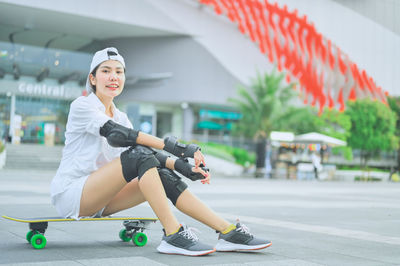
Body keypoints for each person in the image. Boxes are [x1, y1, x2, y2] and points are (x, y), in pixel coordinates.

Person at [51, 47, 271, 256]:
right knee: (139, 155)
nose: (113, 77)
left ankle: (227, 232)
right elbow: (117, 134)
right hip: (74, 195)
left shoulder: (121, 116)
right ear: (93, 78)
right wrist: (177, 148)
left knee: (157, 169)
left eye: (118, 72)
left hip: (104, 198)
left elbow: (145, 151)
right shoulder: (82, 106)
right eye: (105, 71)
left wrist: (183, 167)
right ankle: (173, 234)